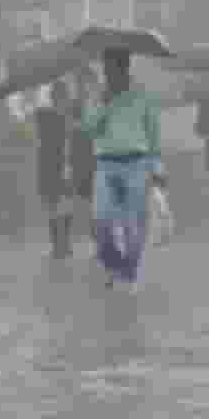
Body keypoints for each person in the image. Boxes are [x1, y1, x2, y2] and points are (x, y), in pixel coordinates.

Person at [78, 49, 165, 293]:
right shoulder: (98, 96)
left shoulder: (142, 96)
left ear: (125, 69)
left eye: (113, 69)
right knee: (101, 221)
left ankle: (130, 272)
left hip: (137, 163)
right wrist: (102, 105)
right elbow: (88, 128)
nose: (109, 74)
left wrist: (157, 167)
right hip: (106, 163)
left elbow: (154, 135)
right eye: (106, 70)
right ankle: (117, 266)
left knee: (132, 224)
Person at [33, 81, 72, 258]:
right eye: (58, 96)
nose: (60, 100)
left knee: (62, 204)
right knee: (53, 205)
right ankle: (59, 245)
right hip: (51, 164)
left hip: (60, 164)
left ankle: (62, 245)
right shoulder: (45, 115)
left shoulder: (63, 116)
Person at [68, 70, 98, 251]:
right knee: (89, 205)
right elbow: (71, 132)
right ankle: (97, 240)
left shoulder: (101, 104)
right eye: (82, 83)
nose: (85, 87)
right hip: (84, 161)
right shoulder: (75, 107)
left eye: (89, 83)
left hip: (99, 159)